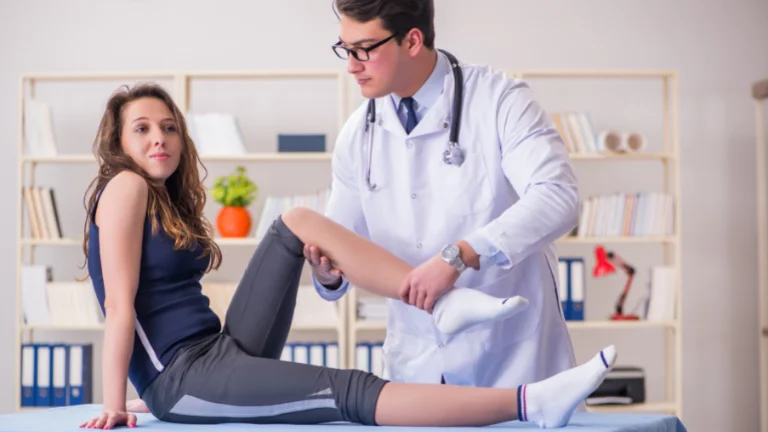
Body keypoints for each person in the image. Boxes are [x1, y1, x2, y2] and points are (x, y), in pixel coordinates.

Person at [77, 83, 615, 430]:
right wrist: (119, 403)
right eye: (142, 129)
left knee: (295, 224)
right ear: (118, 142)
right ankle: (529, 404)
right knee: (351, 391)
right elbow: (120, 308)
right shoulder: (125, 186)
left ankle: (438, 302)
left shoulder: (162, 198)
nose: (160, 139)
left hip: (214, 352)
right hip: (186, 376)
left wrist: (154, 389)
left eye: (169, 127)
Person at [306, 0, 581, 388]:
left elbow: (558, 197)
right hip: (418, 365)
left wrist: (460, 255)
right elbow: (342, 241)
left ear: (412, 41)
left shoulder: (501, 100)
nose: (351, 65)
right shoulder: (358, 134)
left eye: (364, 49)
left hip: (512, 359)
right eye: (345, 49)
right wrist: (327, 272)